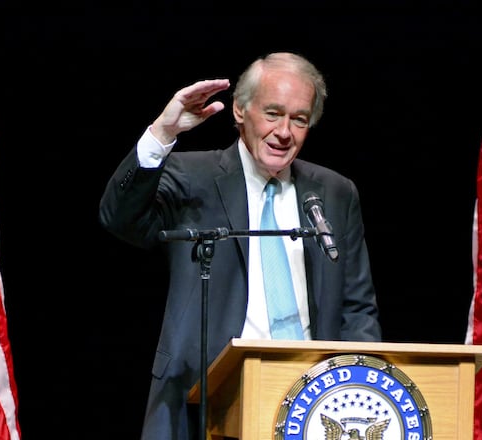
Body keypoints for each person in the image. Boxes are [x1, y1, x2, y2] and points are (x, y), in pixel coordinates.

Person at [98, 51, 382, 440]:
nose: (284, 131)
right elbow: (119, 218)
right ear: (240, 110)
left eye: (299, 119)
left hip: (313, 403)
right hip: (204, 402)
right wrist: (162, 134)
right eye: (273, 113)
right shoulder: (193, 176)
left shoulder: (335, 192)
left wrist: (362, 388)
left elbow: (357, 308)